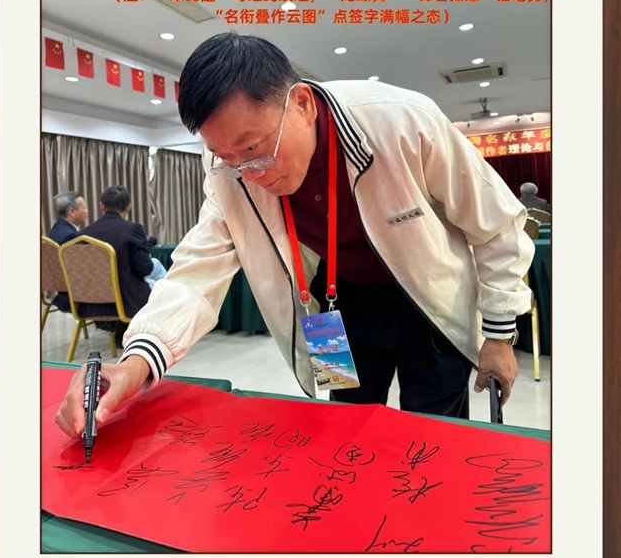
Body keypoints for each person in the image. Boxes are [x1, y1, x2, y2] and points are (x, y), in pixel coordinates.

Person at [55, 33, 534, 439]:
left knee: (433, 431)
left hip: (429, 299)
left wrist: (498, 336)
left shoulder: (402, 121)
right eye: (227, 158)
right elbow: (196, 272)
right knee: (347, 428)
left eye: (253, 148)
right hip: (335, 305)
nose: (248, 173)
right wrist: (135, 362)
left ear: (301, 104)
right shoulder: (229, 165)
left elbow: (498, 226)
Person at [75, 185, 160, 346]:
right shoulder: (132, 229)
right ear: (128, 207)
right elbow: (144, 269)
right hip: (127, 302)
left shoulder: (83, 234)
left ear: (101, 206)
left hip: (89, 305)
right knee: (158, 280)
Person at [47, 190, 89, 312]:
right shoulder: (70, 237)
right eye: (84, 207)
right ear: (72, 211)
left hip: (58, 292)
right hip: (71, 297)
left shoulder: (56, 229)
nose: (87, 211)